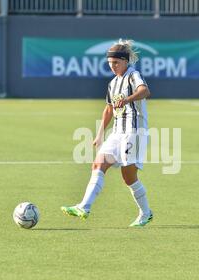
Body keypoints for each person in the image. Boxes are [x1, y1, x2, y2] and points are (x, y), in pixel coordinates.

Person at [61, 39, 154, 227]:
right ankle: (84, 207)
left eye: (116, 63)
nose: (112, 66)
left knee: (129, 177)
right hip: (118, 132)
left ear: (125, 61)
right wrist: (100, 133)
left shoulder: (133, 75)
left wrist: (127, 99)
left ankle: (146, 213)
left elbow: (145, 91)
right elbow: (108, 109)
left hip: (134, 131)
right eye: (110, 63)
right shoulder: (112, 84)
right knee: (98, 164)